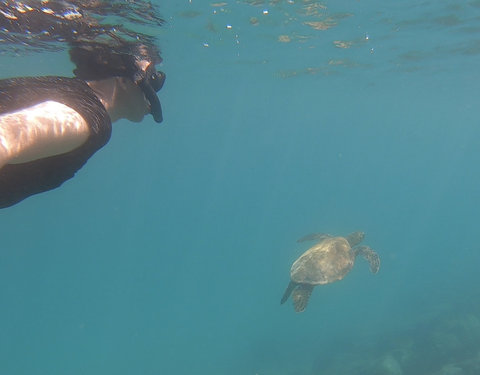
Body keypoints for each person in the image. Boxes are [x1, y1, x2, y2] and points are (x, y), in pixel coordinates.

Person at [0, 1, 166, 208]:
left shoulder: (63, 89)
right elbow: (5, 136)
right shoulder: (86, 117)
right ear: (125, 78)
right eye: (153, 76)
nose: (156, 85)